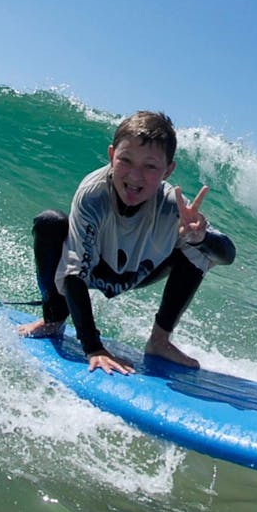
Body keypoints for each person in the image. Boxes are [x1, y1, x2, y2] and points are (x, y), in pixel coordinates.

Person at [18, 111, 235, 375]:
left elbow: (227, 255)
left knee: (196, 247)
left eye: (150, 166)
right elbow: (74, 274)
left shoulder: (171, 205)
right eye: (125, 160)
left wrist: (201, 237)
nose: (135, 175)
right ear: (111, 156)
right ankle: (53, 319)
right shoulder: (93, 194)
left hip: (138, 273)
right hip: (94, 270)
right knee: (49, 223)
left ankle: (159, 341)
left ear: (168, 170)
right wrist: (94, 348)